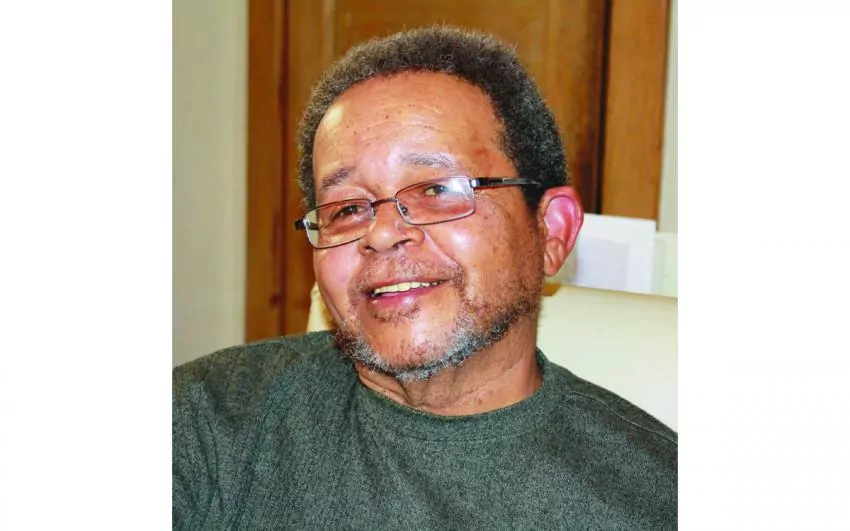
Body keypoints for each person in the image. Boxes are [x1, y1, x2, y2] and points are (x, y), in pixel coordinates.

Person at [173, 25, 676, 529]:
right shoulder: (204, 426)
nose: (381, 233)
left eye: (436, 190)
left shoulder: (659, 498)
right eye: (347, 208)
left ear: (551, 231)